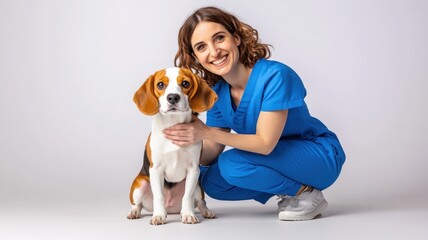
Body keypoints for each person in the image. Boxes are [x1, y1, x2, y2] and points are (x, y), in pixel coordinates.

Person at [163, 6, 346, 221]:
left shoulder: (275, 75)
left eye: (219, 38)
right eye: (202, 47)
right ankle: (290, 190)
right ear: (195, 57)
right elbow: (212, 150)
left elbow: (265, 143)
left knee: (232, 164)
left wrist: (205, 132)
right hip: (274, 159)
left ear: (236, 38)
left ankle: (305, 193)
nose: (214, 52)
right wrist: (177, 150)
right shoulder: (217, 93)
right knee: (210, 180)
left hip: (318, 156)